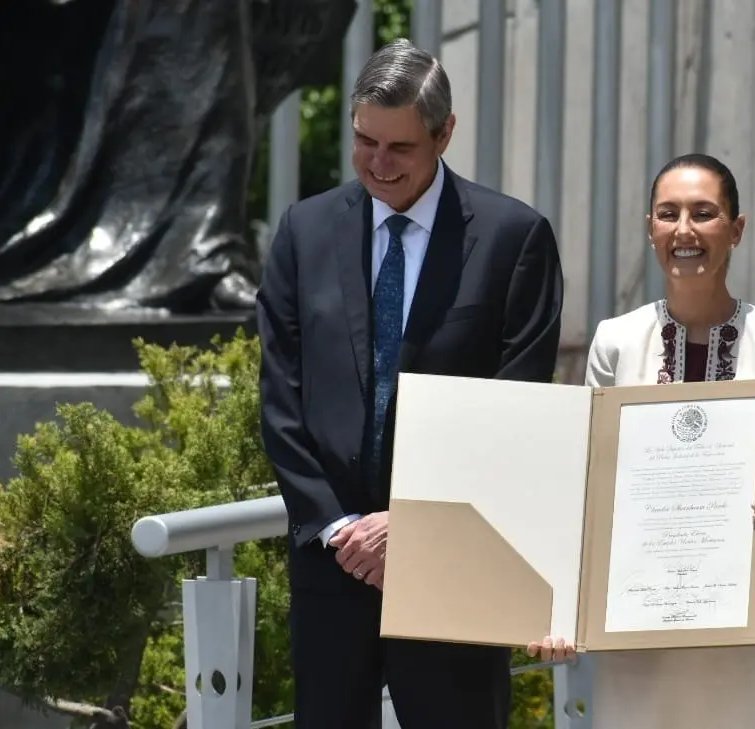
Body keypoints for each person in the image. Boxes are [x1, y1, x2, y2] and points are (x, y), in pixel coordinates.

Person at [257, 38, 564, 729]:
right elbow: (281, 399)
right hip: (332, 567)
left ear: (444, 133)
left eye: (400, 148)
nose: (378, 163)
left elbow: (516, 411)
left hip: (456, 560)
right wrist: (342, 529)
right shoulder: (303, 232)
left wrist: (415, 527)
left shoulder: (514, 239)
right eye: (365, 141)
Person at [526, 153, 755, 728]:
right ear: (650, 229)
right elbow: (588, 486)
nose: (684, 230)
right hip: (637, 624)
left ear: (736, 229)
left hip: (751, 626)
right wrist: (563, 605)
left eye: (704, 213)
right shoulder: (615, 342)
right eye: (668, 214)